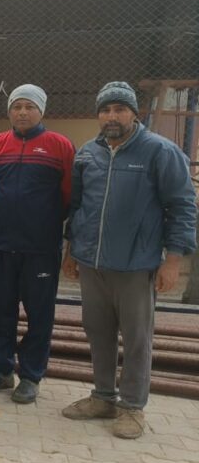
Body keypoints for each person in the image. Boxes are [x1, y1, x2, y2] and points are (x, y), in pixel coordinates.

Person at [61, 81, 196, 439]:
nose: (112, 116)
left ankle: (133, 407)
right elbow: (78, 208)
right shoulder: (88, 154)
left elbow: (182, 207)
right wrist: (71, 252)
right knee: (98, 331)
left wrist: (173, 260)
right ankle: (103, 397)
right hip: (92, 263)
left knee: (136, 339)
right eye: (105, 110)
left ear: (135, 114)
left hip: (136, 264)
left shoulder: (160, 152)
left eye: (120, 109)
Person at [0, 85, 75, 403]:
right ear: (9, 111)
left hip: (40, 248)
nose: (22, 112)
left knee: (39, 314)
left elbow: (69, 193)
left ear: (41, 110)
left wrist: (44, 220)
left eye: (29, 107)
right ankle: (1, 370)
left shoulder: (60, 146)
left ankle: (31, 376)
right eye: (16, 106)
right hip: (1, 244)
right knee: (0, 311)